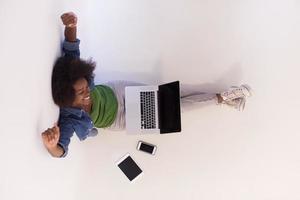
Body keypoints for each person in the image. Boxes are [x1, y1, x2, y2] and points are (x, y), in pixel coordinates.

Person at [41, 12, 253, 158]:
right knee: (175, 109)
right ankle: (224, 97)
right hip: (122, 119)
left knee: (172, 94)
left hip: (120, 93)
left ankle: (223, 97)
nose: (88, 92)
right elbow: (62, 149)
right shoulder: (68, 119)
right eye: (81, 92)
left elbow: (71, 50)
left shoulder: (72, 73)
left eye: (87, 86)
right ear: (67, 97)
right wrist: (52, 147)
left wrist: (71, 25)